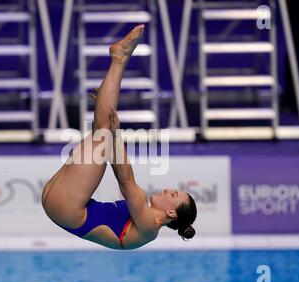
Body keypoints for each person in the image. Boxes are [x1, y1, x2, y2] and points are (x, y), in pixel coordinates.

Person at [41, 25, 197, 250]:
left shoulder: (149, 225)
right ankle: (119, 59)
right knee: (103, 129)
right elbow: (123, 173)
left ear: (171, 212)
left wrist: (115, 135)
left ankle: (120, 58)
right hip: (64, 206)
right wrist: (113, 132)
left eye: (173, 194)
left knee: (104, 131)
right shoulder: (144, 214)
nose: (167, 189)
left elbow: (125, 180)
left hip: (68, 208)